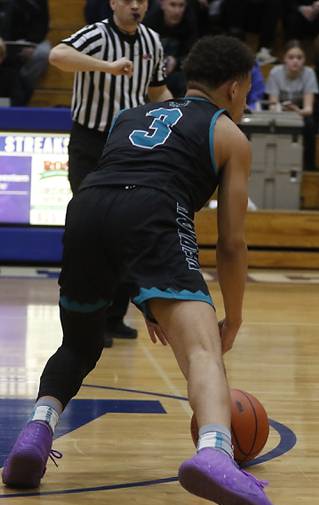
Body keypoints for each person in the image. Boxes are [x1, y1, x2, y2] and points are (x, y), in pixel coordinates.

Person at [1, 35, 282, 505]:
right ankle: (216, 453)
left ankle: (37, 431)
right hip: (153, 208)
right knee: (201, 351)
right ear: (236, 88)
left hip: (88, 208)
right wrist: (232, 316)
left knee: (80, 344)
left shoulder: (128, 116)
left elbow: (119, 220)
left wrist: (150, 303)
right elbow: (232, 244)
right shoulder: (229, 135)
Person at [50, 0, 173, 346]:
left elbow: (157, 89)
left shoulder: (152, 41)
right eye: (129, 0)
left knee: (126, 228)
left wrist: (180, 114)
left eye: (142, 1)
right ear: (114, 3)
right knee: (92, 228)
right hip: (90, 142)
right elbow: (57, 57)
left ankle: (114, 316)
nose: (136, 6)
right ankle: (89, 318)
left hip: (128, 145)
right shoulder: (97, 34)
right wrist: (106, 66)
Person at [265, 40, 319, 169]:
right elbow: (272, 105)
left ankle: (309, 165)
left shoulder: (309, 73)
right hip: (280, 112)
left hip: (300, 113)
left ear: (304, 60)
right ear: (284, 59)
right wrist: (283, 111)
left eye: (299, 58)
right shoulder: (275, 72)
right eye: (291, 57)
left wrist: (296, 111)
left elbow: (308, 109)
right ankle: (273, 162)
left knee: (310, 124)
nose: (295, 61)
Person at [144, 0, 199, 97]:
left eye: (181, 6)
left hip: (178, 71)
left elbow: (194, 55)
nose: (177, 11)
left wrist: (176, 62)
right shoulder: (149, 22)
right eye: (172, 5)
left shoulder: (190, 23)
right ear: (162, 4)